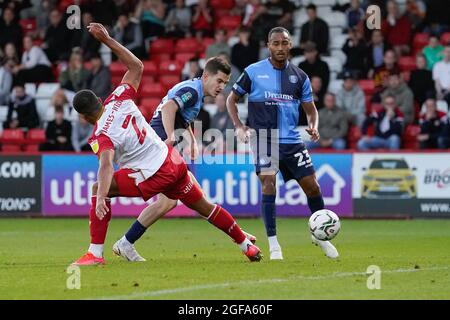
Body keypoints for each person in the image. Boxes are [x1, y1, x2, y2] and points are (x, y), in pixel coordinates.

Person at [71, 23, 261, 266]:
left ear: (84, 118)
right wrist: (107, 40)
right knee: (204, 206)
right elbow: (137, 66)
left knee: (100, 187)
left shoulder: (101, 135)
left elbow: (106, 165)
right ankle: (247, 246)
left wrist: (99, 198)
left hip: (156, 171)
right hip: (172, 160)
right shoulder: (119, 96)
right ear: (99, 100)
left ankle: (96, 254)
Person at [115, 57, 256, 261]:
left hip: (159, 151)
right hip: (158, 152)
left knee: (171, 202)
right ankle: (240, 237)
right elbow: (168, 108)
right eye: (219, 81)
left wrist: (191, 140)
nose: (221, 87)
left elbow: (181, 116)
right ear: (206, 76)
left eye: (225, 83)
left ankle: (125, 243)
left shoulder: (194, 92)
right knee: (192, 201)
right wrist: (171, 136)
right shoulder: (192, 91)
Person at [227, 27, 339, 260]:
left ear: (290, 45)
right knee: (268, 184)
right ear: (269, 45)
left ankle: (320, 235)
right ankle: (274, 245)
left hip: (292, 141)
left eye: (284, 43)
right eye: (275, 43)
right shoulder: (253, 72)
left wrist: (314, 125)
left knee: (313, 187)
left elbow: (311, 110)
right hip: (264, 139)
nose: (280, 47)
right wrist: (239, 125)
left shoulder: (300, 77)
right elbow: (232, 98)